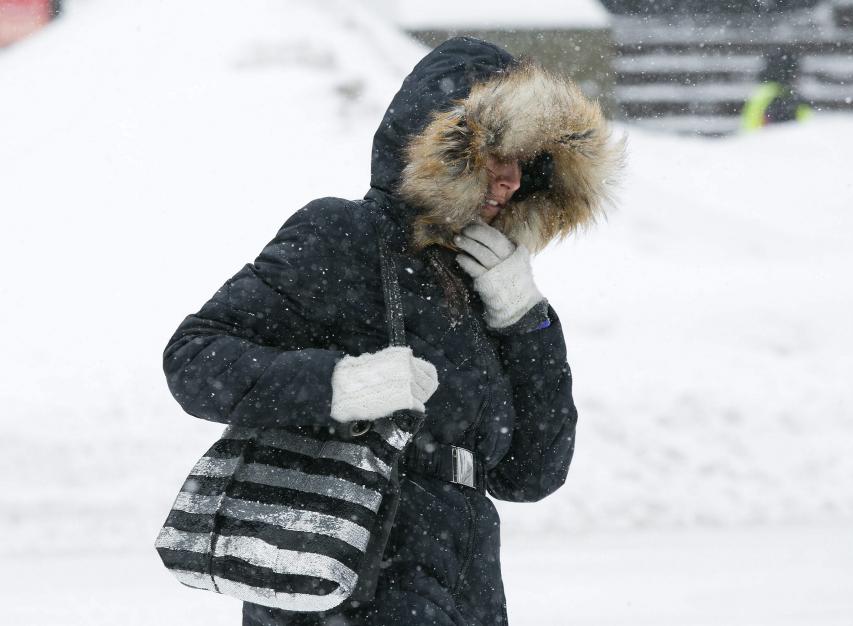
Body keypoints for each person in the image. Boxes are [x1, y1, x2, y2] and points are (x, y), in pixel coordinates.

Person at [162, 36, 622, 625]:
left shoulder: (488, 276)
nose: (509, 181)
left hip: (462, 592)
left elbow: (532, 473)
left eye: (525, 164)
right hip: (341, 585)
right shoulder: (343, 234)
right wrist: (341, 386)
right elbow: (195, 359)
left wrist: (527, 321)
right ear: (441, 150)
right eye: (494, 156)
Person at [741, 48, 813, 131]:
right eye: (796, 72)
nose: (798, 77)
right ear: (789, 72)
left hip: (752, 141)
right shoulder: (784, 98)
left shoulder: (763, 92)